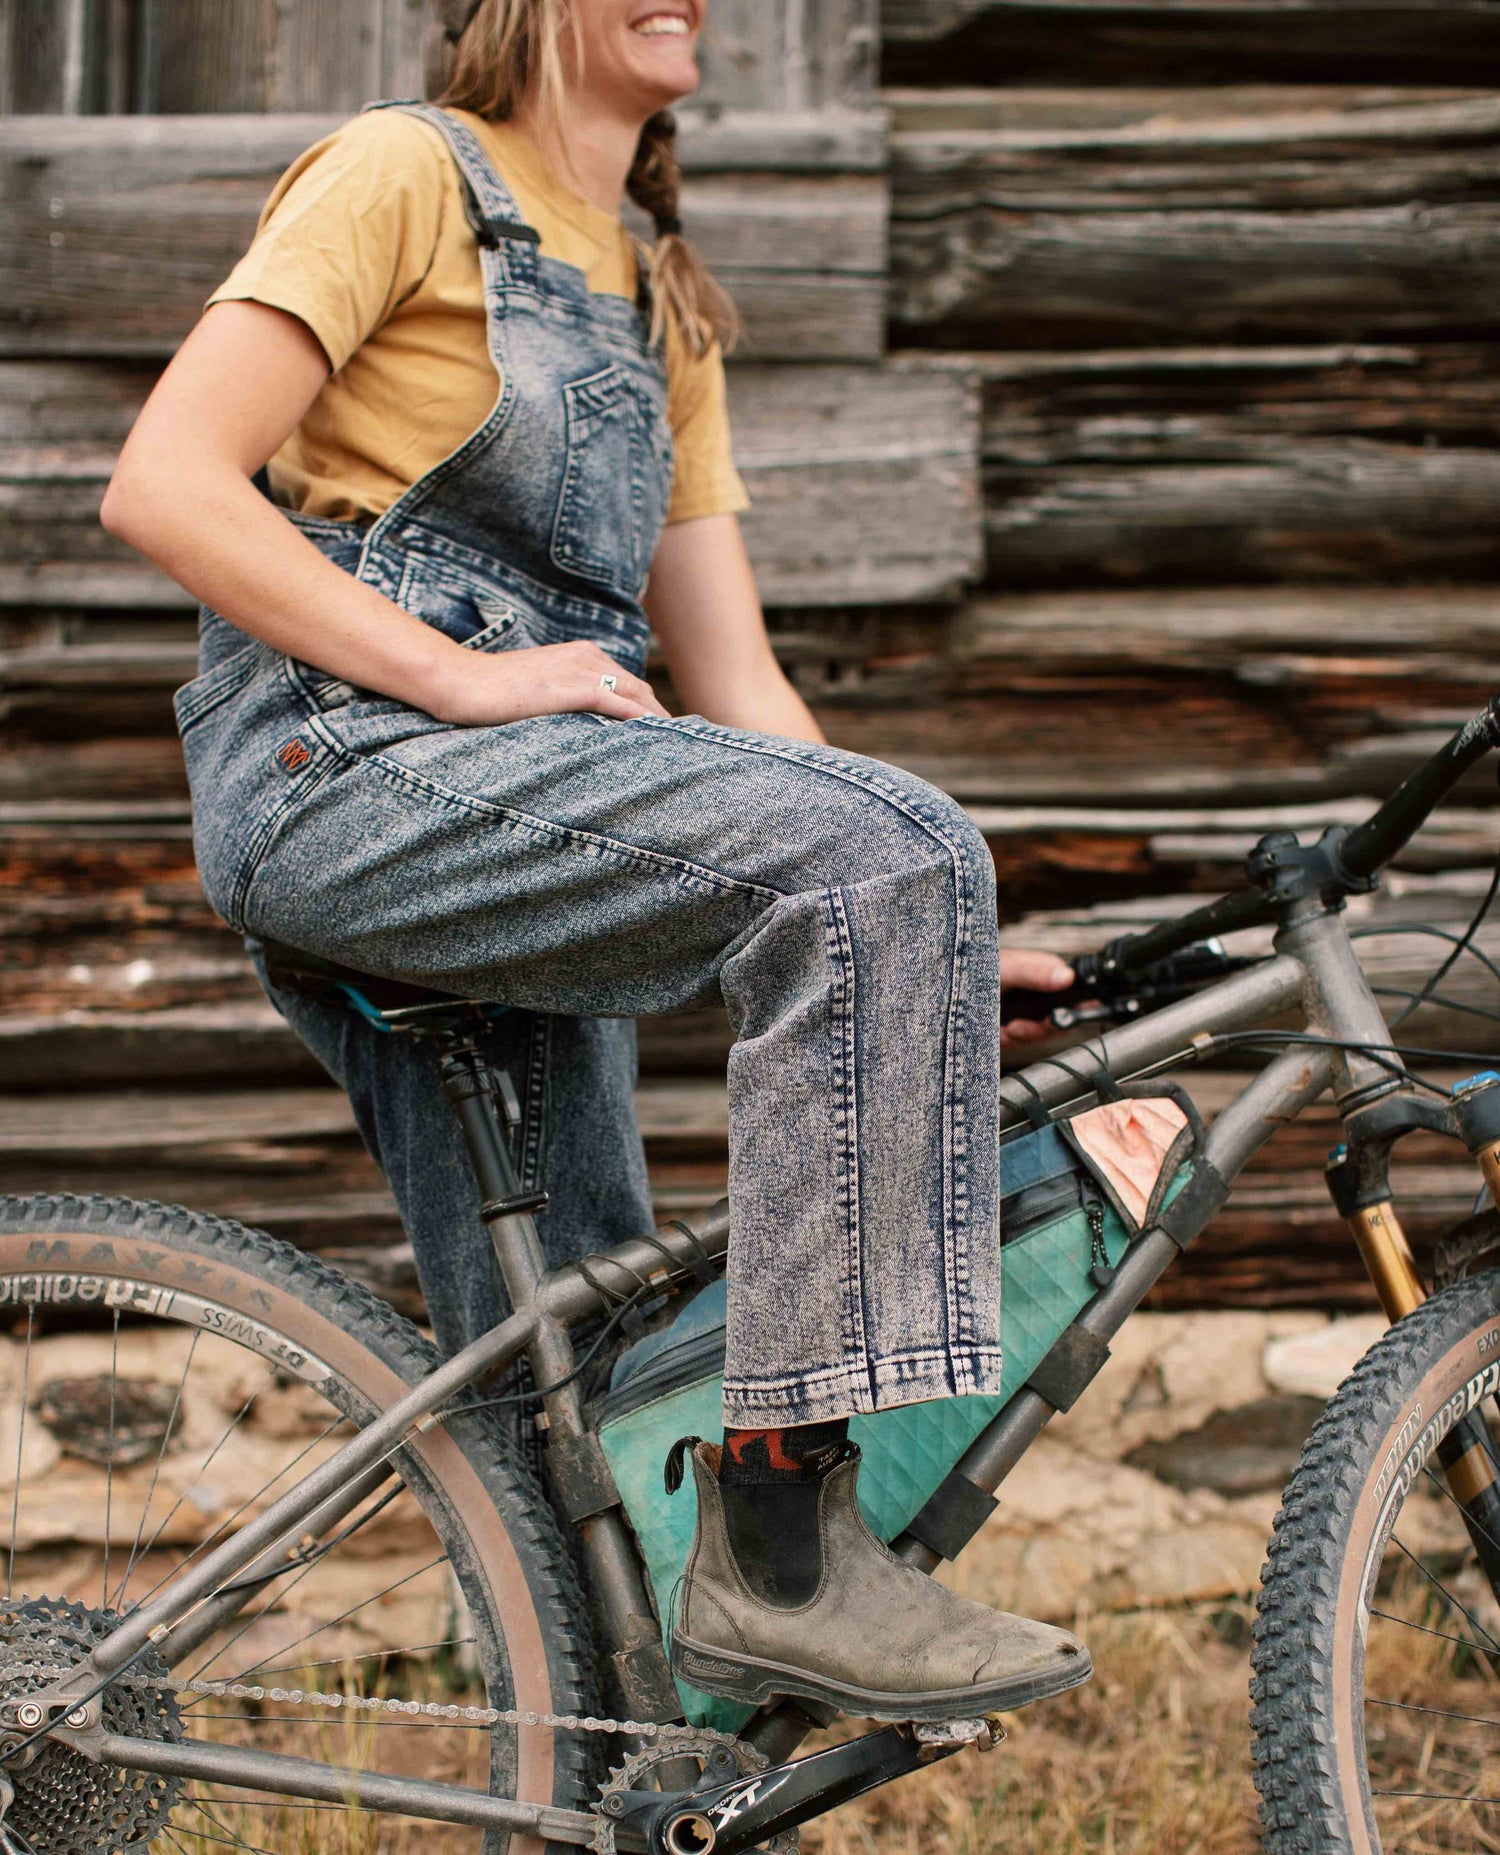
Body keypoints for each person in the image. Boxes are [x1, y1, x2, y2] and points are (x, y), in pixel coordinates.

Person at [102, 0, 1088, 1724]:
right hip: (347, 766)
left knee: (589, 1412)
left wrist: (922, 923)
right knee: (894, 856)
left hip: (519, 797)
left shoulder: (659, 297)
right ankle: (785, 1545)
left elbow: (742, 685)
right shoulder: (407, 170)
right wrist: (462, 678)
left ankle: (593, 1772)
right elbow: (167, 481)